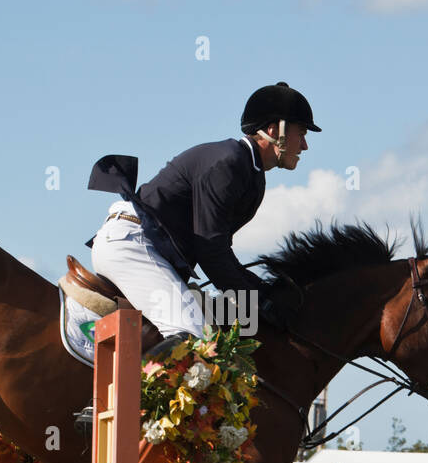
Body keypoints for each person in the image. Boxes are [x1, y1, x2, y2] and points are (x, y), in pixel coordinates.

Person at [85, 82, 318, 343]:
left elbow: (219, 250)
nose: (305, 145)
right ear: (276, 130)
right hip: (134, 245)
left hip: (149, 249)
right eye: (302, 133)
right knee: (194, 336)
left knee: (230, 330)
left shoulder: (251, 174)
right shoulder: (228, 162)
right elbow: (210, 249)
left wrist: (259, 292)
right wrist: (256, 299)